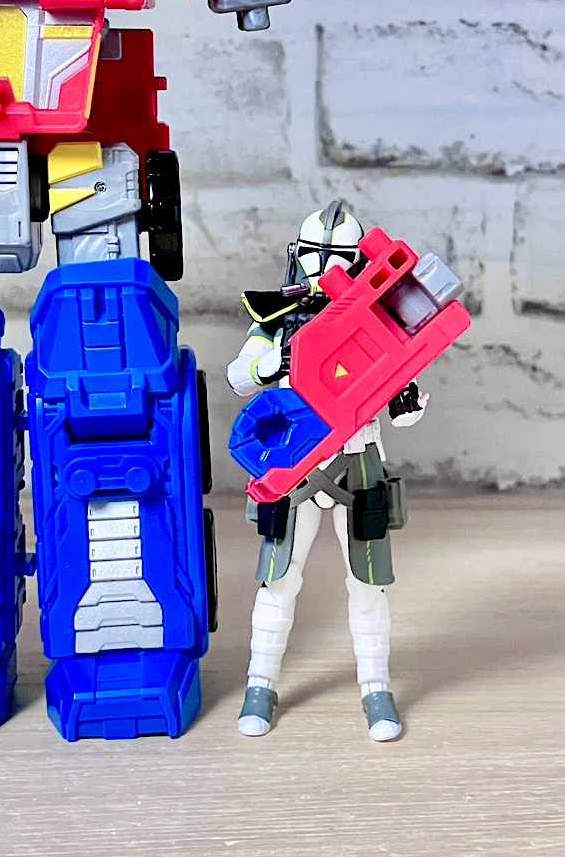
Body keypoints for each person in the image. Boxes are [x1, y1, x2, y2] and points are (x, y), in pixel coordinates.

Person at [227, 200, 428, 739]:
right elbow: (238, 375)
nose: (326, 265)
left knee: (368, 584)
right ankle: (259, 685)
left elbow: (405, 403)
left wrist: (407, 399)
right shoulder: (278, 315)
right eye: (317, 254)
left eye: (338, 255)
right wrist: (274, 363)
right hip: (294, 462)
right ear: (298, 255)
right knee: (278, 579)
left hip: (357, 462)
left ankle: (376, 688)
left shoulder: (381, 318)